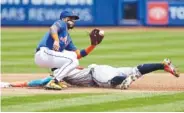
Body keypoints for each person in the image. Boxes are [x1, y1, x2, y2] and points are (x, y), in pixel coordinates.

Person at [34, 10, 104, 90]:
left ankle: (57, 79)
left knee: (73, 56)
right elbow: (53, 28)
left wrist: (93, 45)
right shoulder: (61, 23)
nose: (73, 21)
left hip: (48, 57)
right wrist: (56, 40)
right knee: (73, 61)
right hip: (43, 53)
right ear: (64, 19)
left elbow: (78, 54)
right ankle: (54, 81)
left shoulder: (67, 38)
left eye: (74, 19)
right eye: (71, 18)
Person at [1, 58, 179, 89]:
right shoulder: (69, 67)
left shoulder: (58, 74)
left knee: (110, 83)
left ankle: (127, 79)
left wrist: (10, 84)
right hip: (102, 68)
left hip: (97, 74)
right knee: (136, 69)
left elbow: (36, 82)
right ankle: (162, 65)